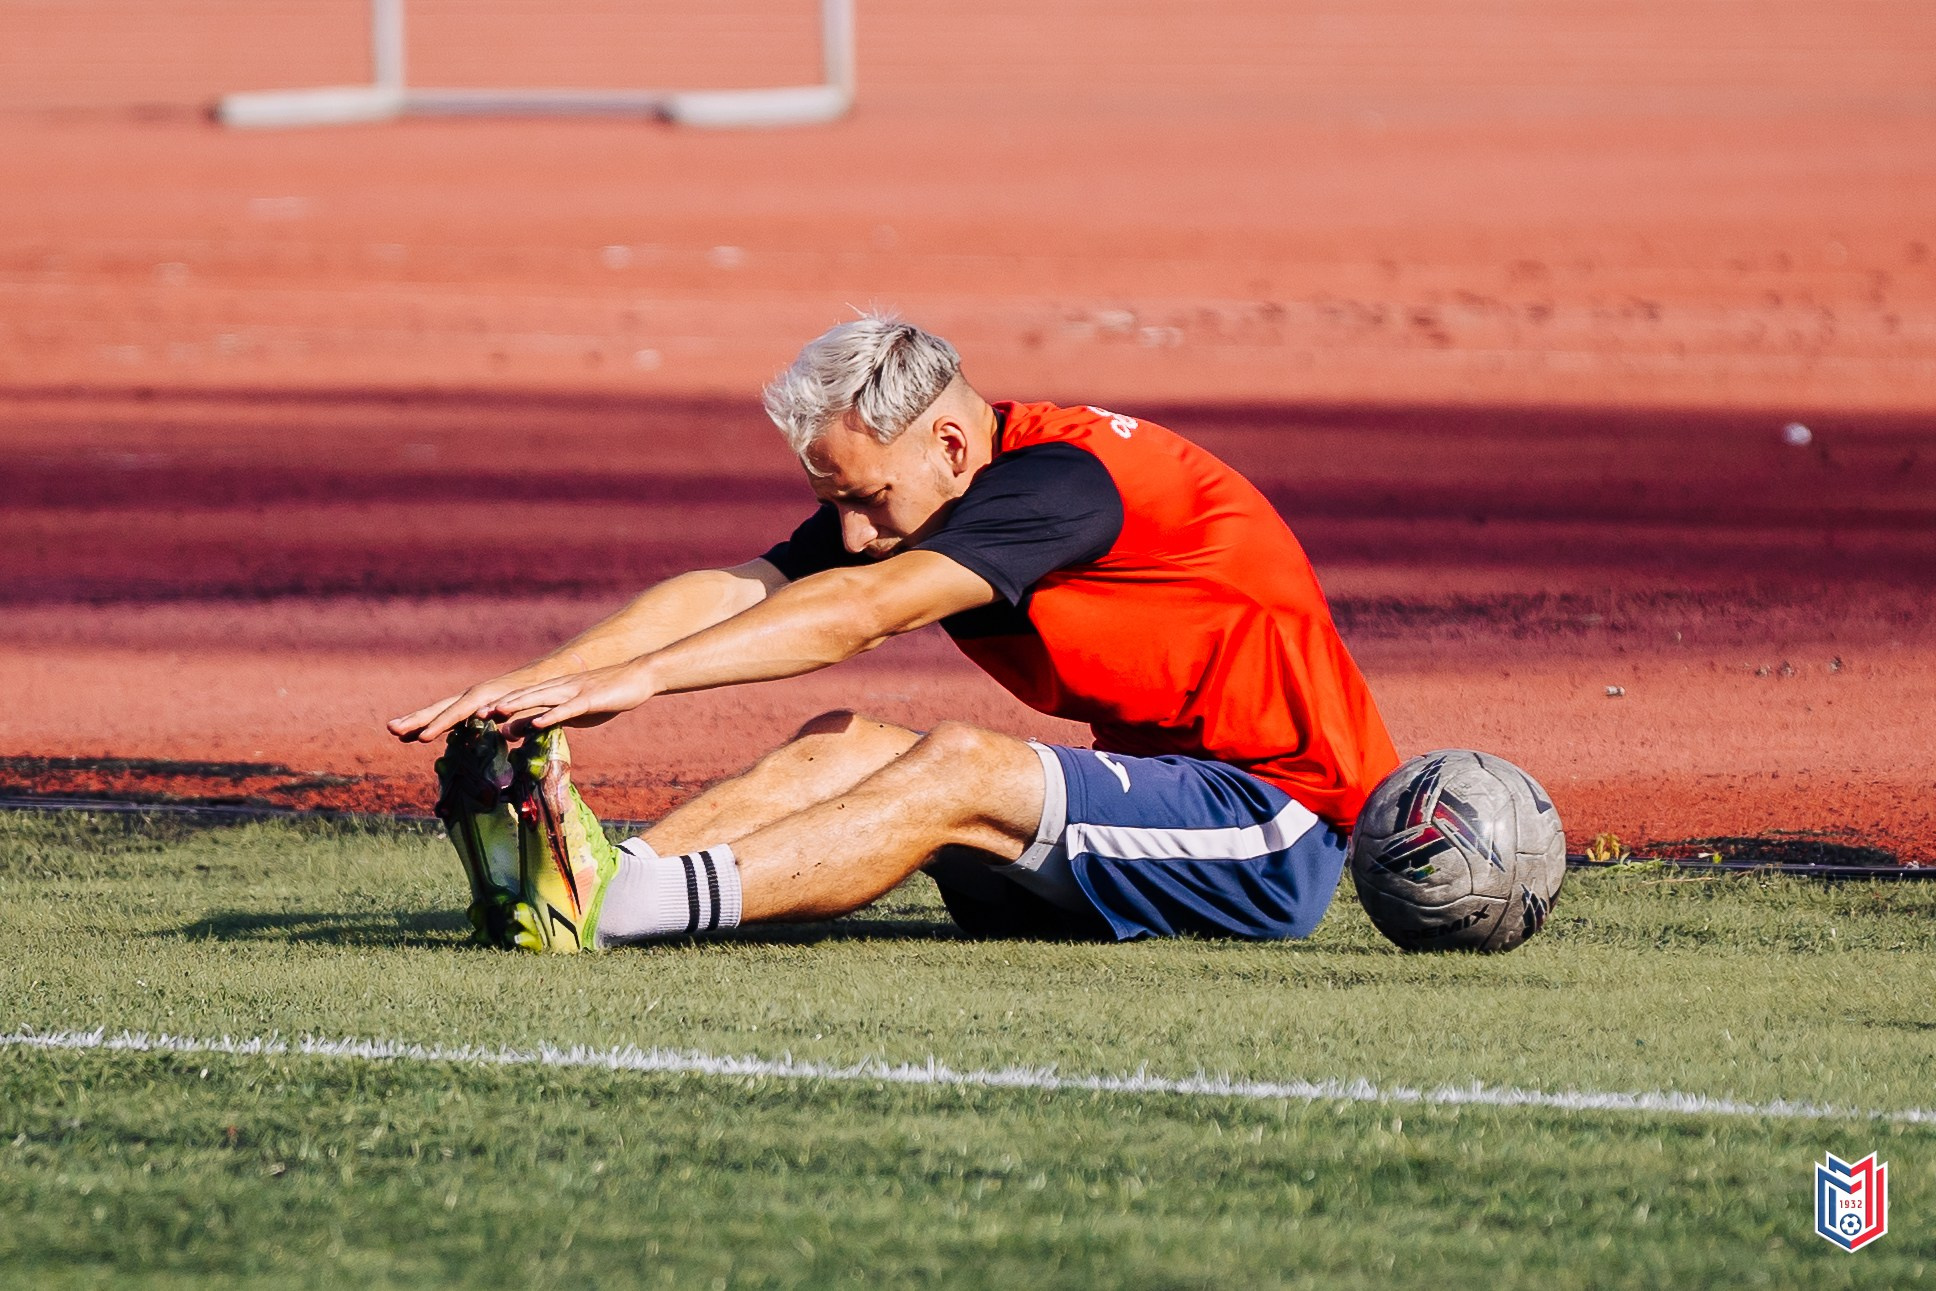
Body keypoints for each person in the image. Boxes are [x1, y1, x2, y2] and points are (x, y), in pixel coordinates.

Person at [388, 316, 1399, 952]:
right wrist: (537, 680)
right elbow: (743, 589)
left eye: (867, 498)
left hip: (1273, 831)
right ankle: (600, 886)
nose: (853, 532)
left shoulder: (1058, 488)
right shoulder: (925, 483)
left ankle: (626, 911)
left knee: (954, 762)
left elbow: (863, 613)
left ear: (950, 445)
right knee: (847, 740)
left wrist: (645, 681)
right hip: (1157, 810)